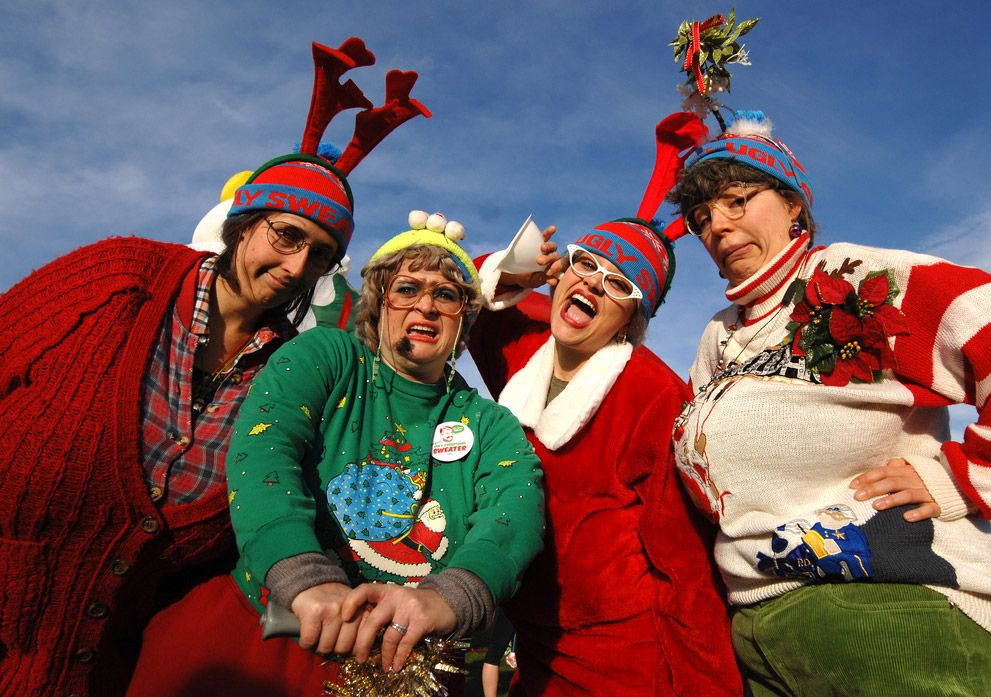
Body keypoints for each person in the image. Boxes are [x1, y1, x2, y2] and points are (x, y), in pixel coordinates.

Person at [0, 37, 428, 697]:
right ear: (242, 223)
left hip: (91, 676)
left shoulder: (287, 378)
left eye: (317, 256)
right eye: (285, 236)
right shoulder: (117, 281)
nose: (294, 268)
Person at [124, 211, 545, 696]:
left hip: (396, 669)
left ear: (464, 320)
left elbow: (516, 507)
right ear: (378, 302)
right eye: (407, 289)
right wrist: (301, 573)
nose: (425, 306)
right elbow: (267, 447)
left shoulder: (488, 421)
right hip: (255, 631)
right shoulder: (326, 356)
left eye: (446, 295)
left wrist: (451, 595)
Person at [667, 109, 991, 695]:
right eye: (701, 217)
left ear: (793, 204)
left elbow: (990, 322)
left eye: (738, 200)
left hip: (891, 613)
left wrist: (965, 477)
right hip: (759, 633)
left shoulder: (852, 275)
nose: (716, 225)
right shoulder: (718, 335)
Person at [467, 113, 742, 696]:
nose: (592, 284)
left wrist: (706, 686)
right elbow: (461, 293)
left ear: (632, 321)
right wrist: (512, 271)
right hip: (528, 636)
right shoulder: (522, 351)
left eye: (620, 284)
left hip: (617, 652)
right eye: (585, 264)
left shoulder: (654, 394)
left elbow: (683, 564)